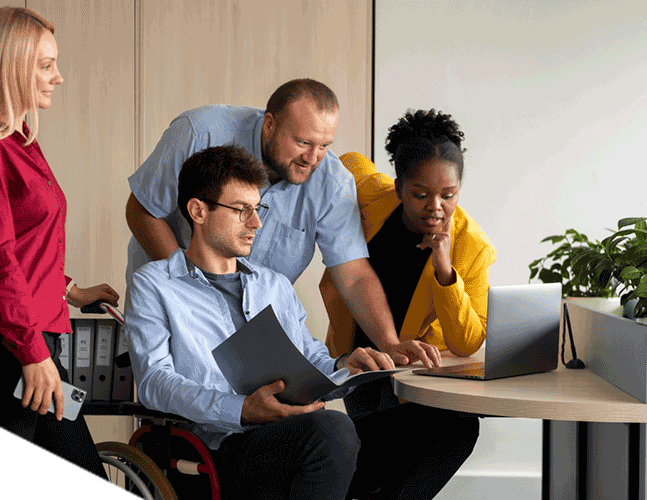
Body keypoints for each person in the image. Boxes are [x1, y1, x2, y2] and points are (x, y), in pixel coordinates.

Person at [126, 145, 396, 499]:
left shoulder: (273, 285)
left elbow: (311, 359)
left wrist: (346, 368)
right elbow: (154, 382)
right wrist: (243, 410)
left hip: (290, 434)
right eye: (242, 211)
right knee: (332, 431)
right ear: (198, 211)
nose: (256, 223)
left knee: (425, 426)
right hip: (215, 447)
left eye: (257, 209)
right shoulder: (154, 284)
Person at [125, 78, 437, 368]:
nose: (313, 158)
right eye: (303, 142)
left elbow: (353, 275)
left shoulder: (332, 182)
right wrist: (194, 294)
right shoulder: (199, 132)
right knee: (181, 402)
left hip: (251, 322)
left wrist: (390, 343)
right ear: (270, 125)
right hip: (173, 294)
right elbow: (142, 210)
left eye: (325, 145)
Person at [0, 7, 119, 478]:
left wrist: (72, 291)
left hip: (28, 341)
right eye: (45, 65)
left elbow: (25, 250)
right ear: (10, 66)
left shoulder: (20, 142)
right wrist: (33, 352)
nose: (58, 77)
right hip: (5, 347)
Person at [320, 109, 495, 499]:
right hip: (359, 360)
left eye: (448, 195)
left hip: (413, 372)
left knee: (457, 431)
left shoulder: (472, 246)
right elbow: (344, 162)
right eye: (420, 194)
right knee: (373, 466)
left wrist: (445, 271)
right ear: (398, 188)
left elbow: (467, 341)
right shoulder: (371, 196)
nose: (436, 206)